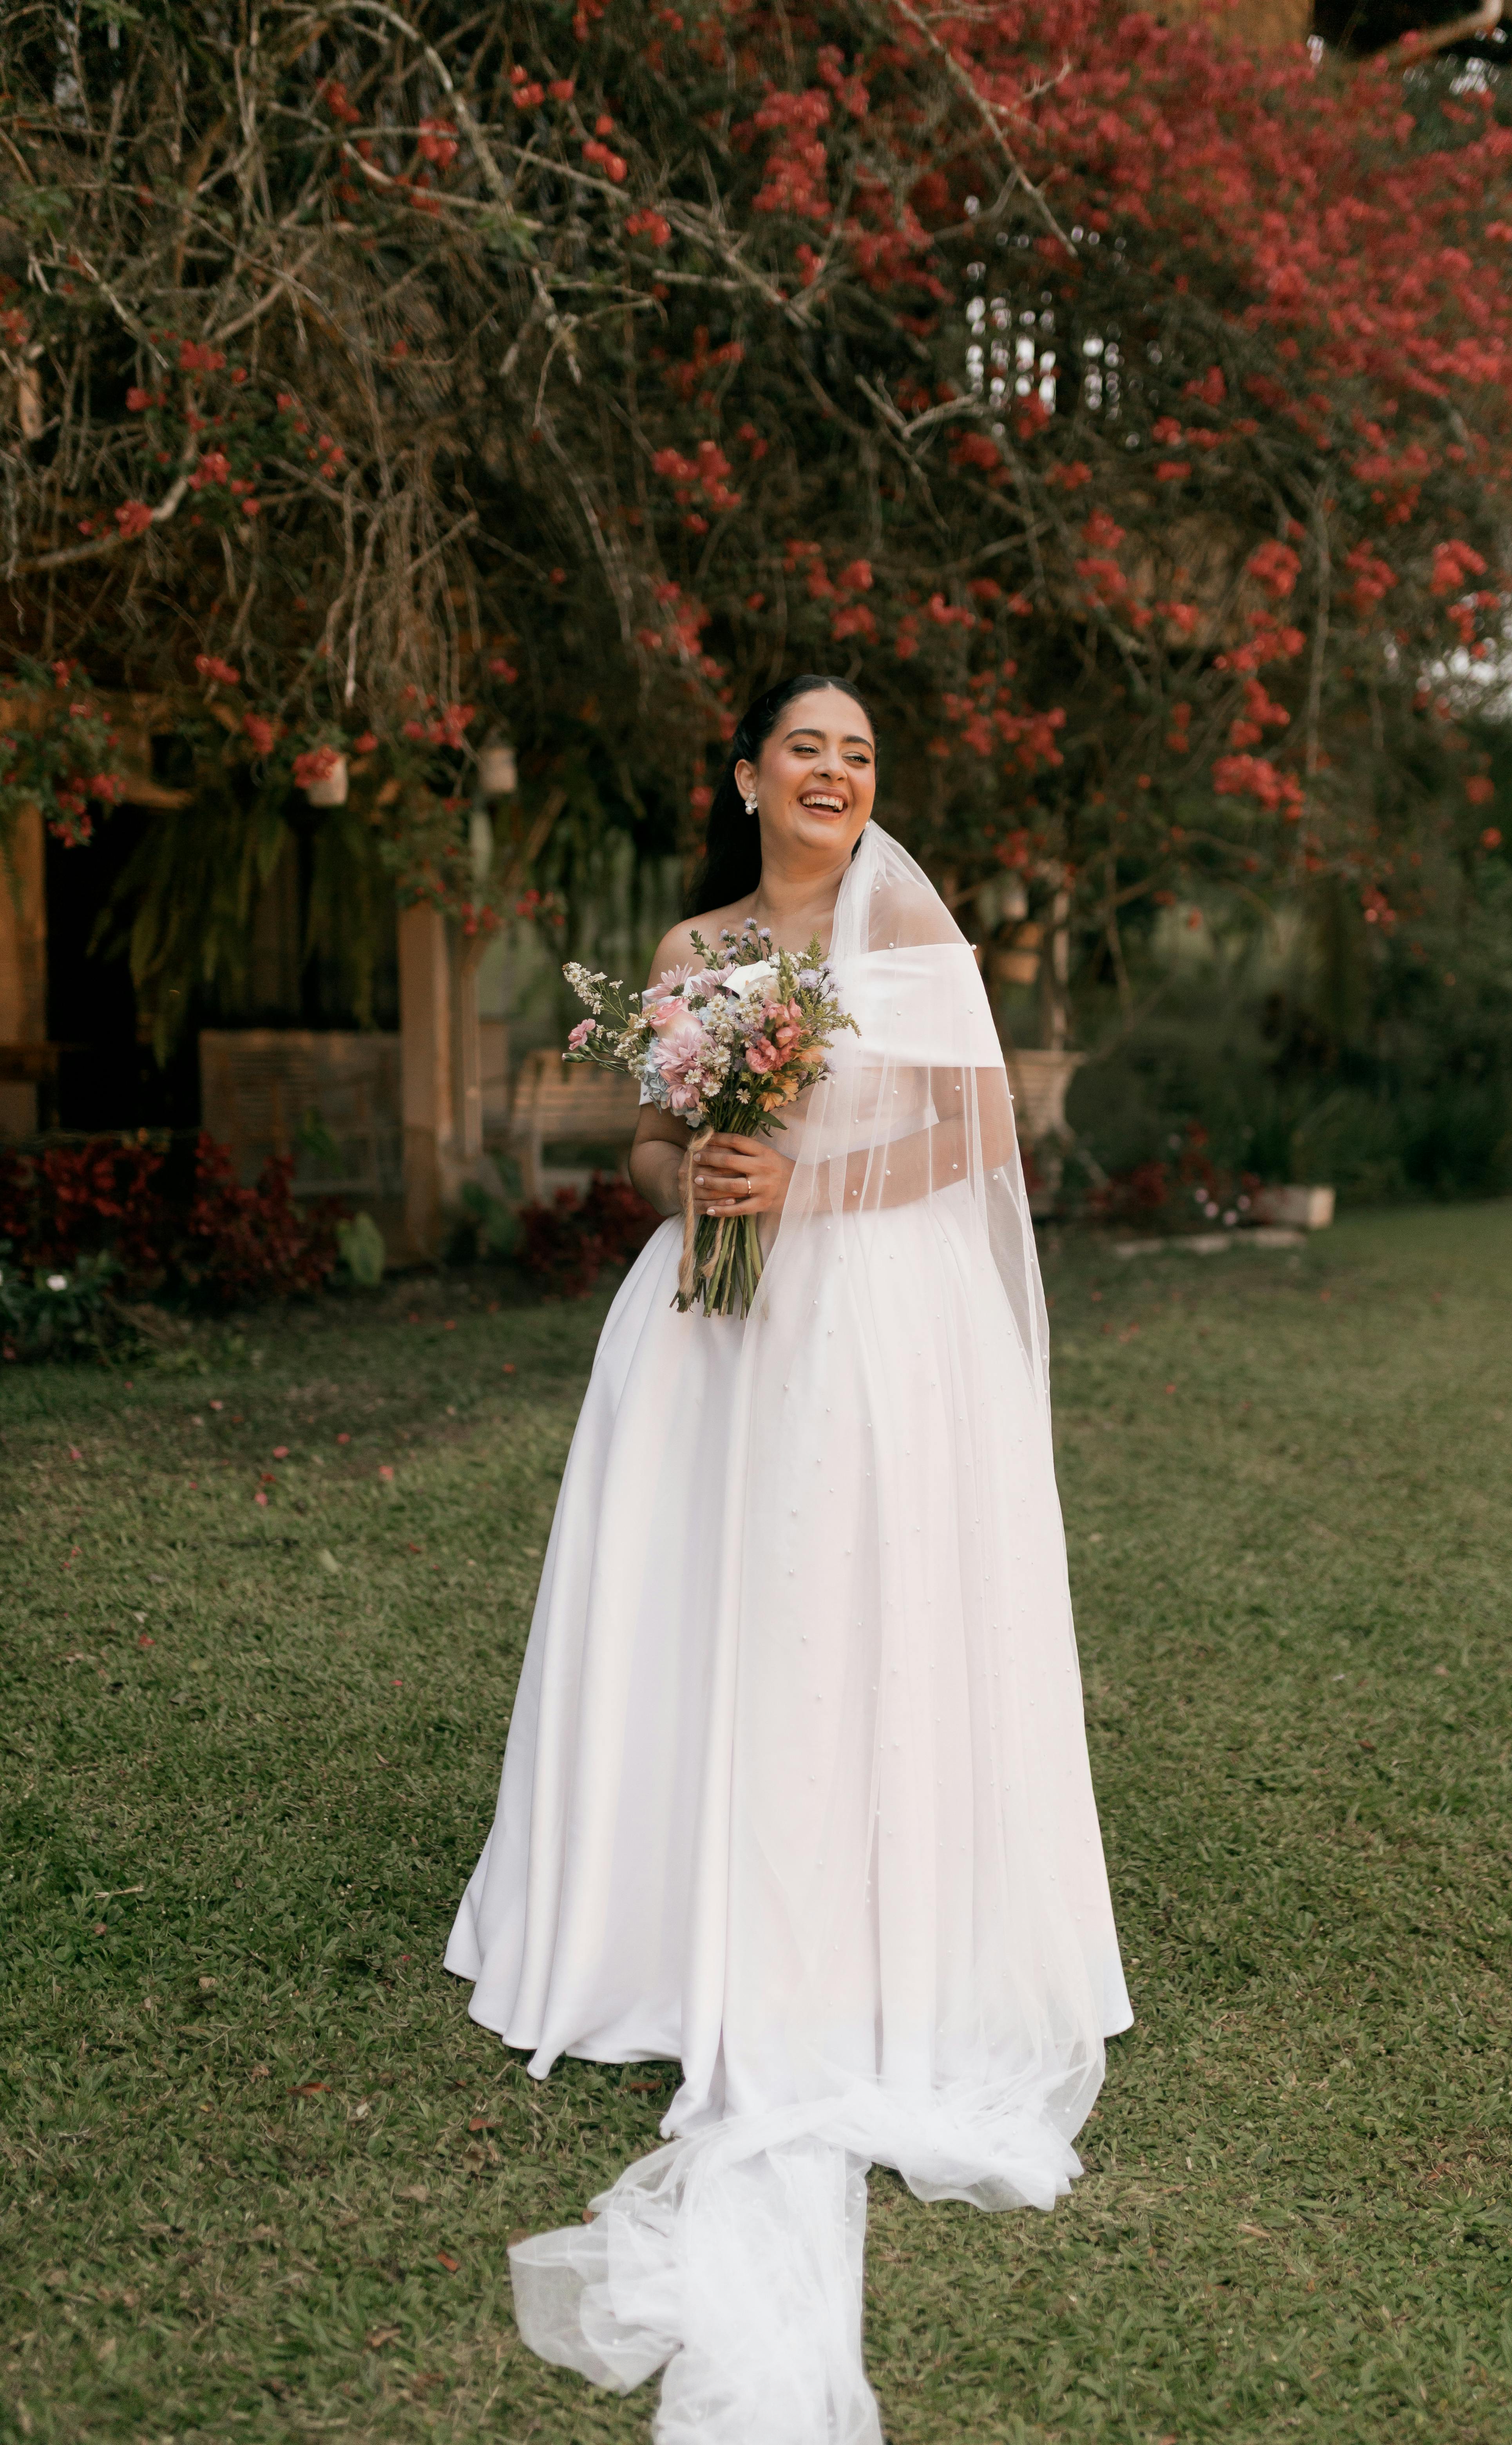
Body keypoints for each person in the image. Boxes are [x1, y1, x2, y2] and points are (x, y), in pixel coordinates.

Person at [444, 674, 1131, 2443]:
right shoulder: (691, 943)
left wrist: (803, 1193)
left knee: (846, 1604)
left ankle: (869, 1928)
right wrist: (696, 1178)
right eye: (802, 749)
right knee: (699, 1607)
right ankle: (660, 1914)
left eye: (858, 755)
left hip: (879, 1320)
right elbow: (668, 1139)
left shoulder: (912, 923)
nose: (833, 774)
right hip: (709, 1322)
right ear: (742, 773)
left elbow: (977, 1136)